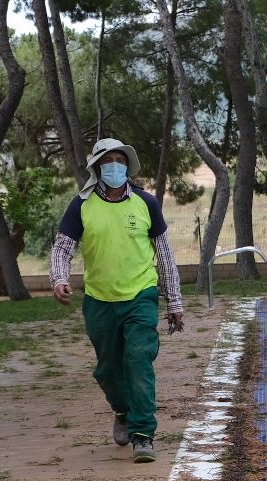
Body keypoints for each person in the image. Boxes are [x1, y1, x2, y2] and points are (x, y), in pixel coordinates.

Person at [49, 138, 186, 463]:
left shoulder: (146, 203)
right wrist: (59, 279)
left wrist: (174, 302)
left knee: (138, 360)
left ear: (128, 166)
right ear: (97, 167)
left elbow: (165, 256)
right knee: (108, 370)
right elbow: (62, 248)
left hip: (140, 296)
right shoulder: (80, 205)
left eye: (120, 160)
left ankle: (143, 434)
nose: (114, 165)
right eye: (107, 160)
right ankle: (122, 410)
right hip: (99, 301)